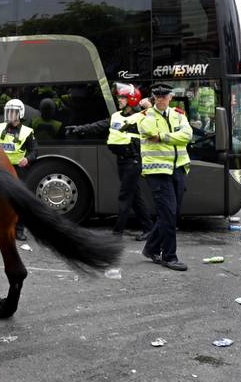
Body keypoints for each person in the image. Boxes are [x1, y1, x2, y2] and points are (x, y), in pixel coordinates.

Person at [66, 84, 154, 238]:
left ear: (132, 99)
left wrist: (150, 107)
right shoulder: (116, 116)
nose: (119, 100)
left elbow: (156, 122)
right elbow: (99, 126)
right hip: (122, 161)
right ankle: (149, 229)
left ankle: (118, 231)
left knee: (125, 196)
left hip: (133, 161)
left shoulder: (141, 117)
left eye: (122, 97)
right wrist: (79, 129)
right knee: (134, 196)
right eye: (119, 97)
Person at [137, 82, 192, 271]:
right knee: (168, 214)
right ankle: (169, 256)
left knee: (172, 213)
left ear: (170, 97)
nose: (161, 98)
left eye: (164, 95)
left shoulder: (179, 114)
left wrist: (163, 137)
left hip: (178, 169)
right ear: (153, 98)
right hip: (158, 171)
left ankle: (151, 248)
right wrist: (173, 134)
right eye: (157, 96)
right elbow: (150, 131)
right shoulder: (145, 116)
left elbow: (187, 135)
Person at [0, 99, 37, 241]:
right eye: (8, 111)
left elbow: (34, 150)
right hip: (1, 168)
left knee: (18, 201)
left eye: (13, 112)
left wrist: (27, 159)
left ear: (20, 114)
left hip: (18, 169)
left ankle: (19, 230)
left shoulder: (26, 131)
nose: (10, 114)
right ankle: (0, 229)